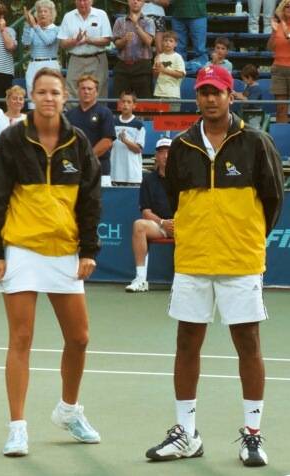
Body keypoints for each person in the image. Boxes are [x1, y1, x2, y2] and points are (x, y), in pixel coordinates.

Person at [145, 65, 284, 466]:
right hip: (192, 261)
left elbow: (272, 199)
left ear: (230, 96)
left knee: (248, 343)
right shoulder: (183, 147)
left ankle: (253, 434)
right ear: (198, 97)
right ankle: (186, 433)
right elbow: (176, 200)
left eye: (216, 92)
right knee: (187, 343)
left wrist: (245, 235)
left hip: (240, 261)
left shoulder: (256, 142)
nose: (209, 98)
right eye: (203, 92)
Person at [0, 67, 102, 456]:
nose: (49, 98)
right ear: (32, 96)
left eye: (55, 92)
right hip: (22, 251)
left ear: (65, 98)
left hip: (64, 252)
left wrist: (88, 250)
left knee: (79, 338)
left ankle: (68, 410)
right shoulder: (13, 139)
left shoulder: (78, 141)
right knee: (21, 338)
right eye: (42, 92)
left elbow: (90, 199)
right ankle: (17, 427)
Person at [125, 137, 173, 292]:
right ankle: (140, 279)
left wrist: (178, 223)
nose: (166, 156)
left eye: (169, 152)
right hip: (160, 226)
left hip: (183, 225)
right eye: (162, 152)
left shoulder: (185, 177)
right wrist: (163, 223)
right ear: (157, 156)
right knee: (139, 225)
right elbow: (146, 212)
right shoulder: (148, 180)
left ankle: (186, 281)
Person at [66, 74, 115, 186]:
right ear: (78, 91)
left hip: (100, 169)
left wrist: (87, 158)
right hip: (75, 171)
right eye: (83, 88)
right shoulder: (69, 115)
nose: (86, 91)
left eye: (90, 89)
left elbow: (107, 142)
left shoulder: (105, 113)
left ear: (96, 92)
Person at [57, 0, 112, 100]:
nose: (82, 3)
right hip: (76, 59)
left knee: (99, 92)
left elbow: (107, 40)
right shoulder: (68, 17)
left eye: (85, 0)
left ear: (92, 1)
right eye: (79, 0)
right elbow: (62, 44)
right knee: (71, 92)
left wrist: (89, 40)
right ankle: (74, 115)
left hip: (97, 59)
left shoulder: (101, 14)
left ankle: (98, 116)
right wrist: (75, 40)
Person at [112, 0, 155, 98]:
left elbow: (149, 41)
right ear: (128, 2)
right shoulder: (119, 21)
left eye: (139, 0)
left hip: (142, 66)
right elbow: (116, 44)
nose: (135, 2)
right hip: (123, 66)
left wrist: (136, 25)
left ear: (143, 3)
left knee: (144, 102)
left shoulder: (149, 21)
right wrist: (124, 40)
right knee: (120, 102)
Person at [22, 0, 60, 108]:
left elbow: (48, 41)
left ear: (51, 14)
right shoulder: (33, 28)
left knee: (50, 93)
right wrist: (27, 25)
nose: (42, 13)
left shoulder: (56, 29)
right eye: (39, 11)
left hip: (50, 64)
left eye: (45, 11)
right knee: (33, 94)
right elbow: (26, 42)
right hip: (33, 65)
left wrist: (34, 26)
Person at [110, 90, 146, 186]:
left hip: (132, 176)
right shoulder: (112, 123)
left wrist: (125, 141)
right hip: (115, 174)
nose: (125, 104)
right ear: (119, 104)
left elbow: (138, 149)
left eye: (129, 102)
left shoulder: (139, 125)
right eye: (123, 101)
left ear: (134, 105)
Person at [169, 0, 208, 74]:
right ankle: (182, 68)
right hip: (178, 13)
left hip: (198, 13)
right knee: (178, 49)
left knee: (199, 49)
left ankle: (197, 70)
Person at [268, 0, 290, 122]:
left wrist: (282, 24)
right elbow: (270, 47)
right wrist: (274, 32)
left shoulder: (282, 25)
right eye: (286, 6)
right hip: (278, 69)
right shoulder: (278, 26)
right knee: (281, 108)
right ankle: (281, 138)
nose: (288, 8)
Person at [153, 31, 186, 112]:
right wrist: (156, 68)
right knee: (158, 121)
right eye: (166, 40)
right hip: (159, 94)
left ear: (175, 44)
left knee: (172, 121)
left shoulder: (178, 57)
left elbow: (181, 74)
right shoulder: (158, 57)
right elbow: (155, 76)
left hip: (173, 95)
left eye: (171, 41)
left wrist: (164, 70)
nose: (168, 43)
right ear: (162, 42)